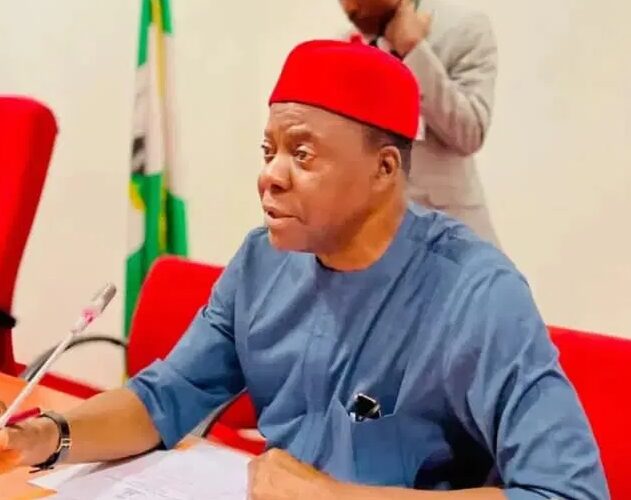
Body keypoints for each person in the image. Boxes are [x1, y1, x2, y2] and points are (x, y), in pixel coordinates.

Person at [0, 40, 608, 499]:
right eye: (268, 151)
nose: (270, 174)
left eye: (302, 153)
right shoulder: (261, 262)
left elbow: (569, 492)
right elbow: (165, 399)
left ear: (384, 170)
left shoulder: (476, 295)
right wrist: (46, 437)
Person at [339, 0, 500, 245]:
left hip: (449, 240)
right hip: (373, 242)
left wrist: (414, 51)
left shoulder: (462, 28)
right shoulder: (344, 45)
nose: (350, 7)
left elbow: (470, 133)